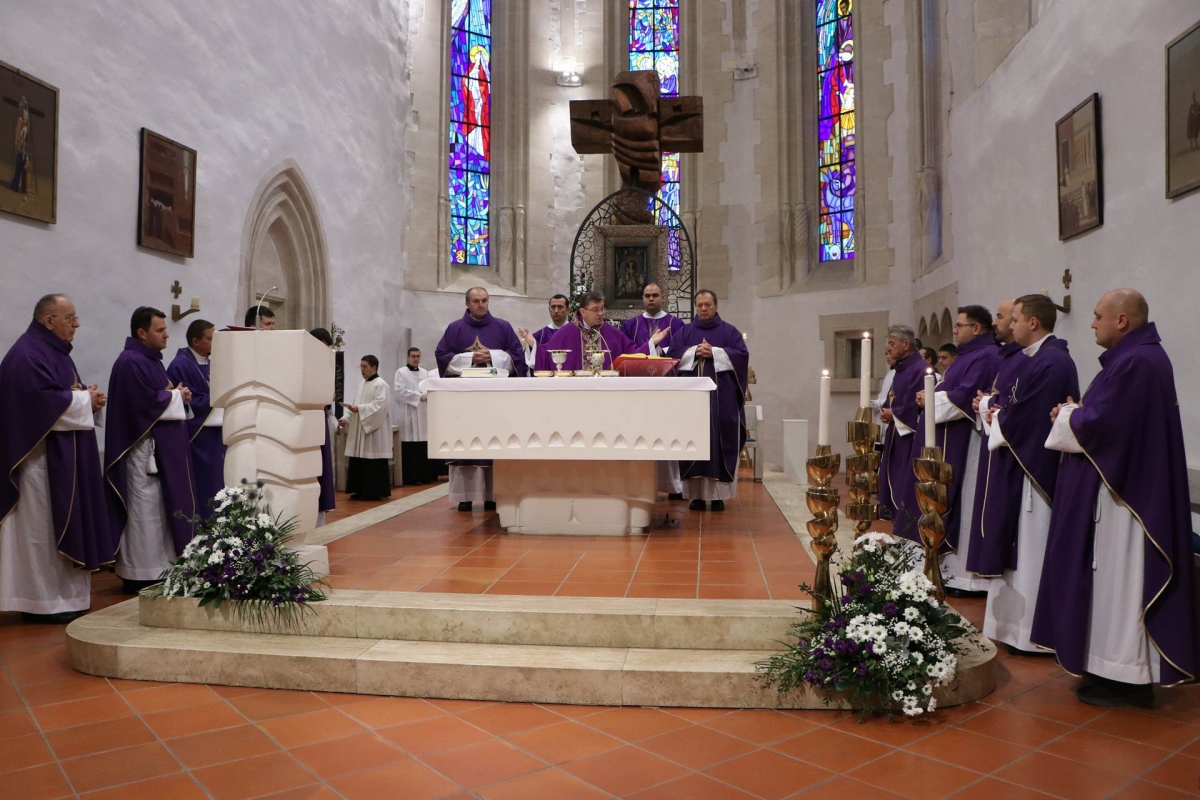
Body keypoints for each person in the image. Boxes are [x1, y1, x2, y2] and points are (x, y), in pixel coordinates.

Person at [1034, 289, 1198, 707]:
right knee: (1111, 584)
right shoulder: (1134, 359)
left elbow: (1105, 426)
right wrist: (1078, 414)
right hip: (1122, 492)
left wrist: (1069, 415)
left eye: (1097, 316)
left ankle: (1124, 675)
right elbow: (1107, 418)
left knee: (1121, 584)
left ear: (1122, 320)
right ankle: (1110, 668)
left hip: (1127, 501)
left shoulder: (1138, 362)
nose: (1091, 323)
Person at [0, 295, 117, 623]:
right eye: (70, 318)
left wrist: (86, 399)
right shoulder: (26, 354)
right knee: (42, 533)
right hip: (39, 466)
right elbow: (36, 402)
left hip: (62, 462)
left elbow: (59, 394)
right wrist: (83, 399)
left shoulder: (52, 352)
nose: (76, 324)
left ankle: (64, 599)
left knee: (52, 530)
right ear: (48, 320)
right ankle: (43, 602)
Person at [977, 295, 1078, 656]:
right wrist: (994, 409)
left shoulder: (1052, 362)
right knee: (1017, 545)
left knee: (1032, 548)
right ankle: (1011, 627)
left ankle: (1031, 633)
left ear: (1033, 323)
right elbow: (1012, 405)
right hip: (1020, 466)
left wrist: (992, 411)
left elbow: (1027, 417)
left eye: (1015, 319)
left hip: (1035, 472)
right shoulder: (1032, 360)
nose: (1010, 325)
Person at [105, 306, 197, 593]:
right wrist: (175, 396)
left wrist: (179, 396)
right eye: (160, 330)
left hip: (158, 454)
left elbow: (159, 396)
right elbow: (142, 404)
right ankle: (138, 573)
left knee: (158, 513)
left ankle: (159, 567)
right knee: (143, 514)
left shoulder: (150, 360)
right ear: (142, 333)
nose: (166, 335)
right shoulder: (130, 361)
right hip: (141, 454)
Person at [914, 305, 1000, 593]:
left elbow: (964, 396)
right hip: (954, 437)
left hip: (969, 443)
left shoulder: (986, 356)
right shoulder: (970, 356)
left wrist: (931, 399)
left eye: (960, 325)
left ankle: (965, 578)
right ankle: (949, 571)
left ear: (976, 328)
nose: (954, 329)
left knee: (965, 502)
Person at [435, 287, 526, 511]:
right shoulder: (454, 328)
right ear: (467, 303)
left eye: (484, 300)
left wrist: (494, 356)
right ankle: (465, 496)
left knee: (494, 445)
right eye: (476, 301)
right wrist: (470, 358)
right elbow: (441, 355)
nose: (481, 304)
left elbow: (517, 356)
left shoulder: (503, 327)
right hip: (466, 402)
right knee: (467, 447)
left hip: (496, 401)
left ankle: (492, 496)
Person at [674, 290, 748, 511]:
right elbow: (672, 356)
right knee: (692, 441)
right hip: (690, 403)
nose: (703, 309)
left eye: (707, 305)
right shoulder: (685, 332)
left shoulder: (729, 331)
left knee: (719, 442)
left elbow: (742, 356)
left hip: (721, 401)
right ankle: (695, 496)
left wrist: (715, 353)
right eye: (699, 305)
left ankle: (718, 497)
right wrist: (694, 351)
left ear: (715, 306)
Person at [966, 300, 1024, 580]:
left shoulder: (1025, 359)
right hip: (997, 443)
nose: (997, 323)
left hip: (1015, 455)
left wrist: (986, 403)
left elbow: (1018, 408)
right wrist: (986, 403)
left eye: (1001, 317)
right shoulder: (1006, 356)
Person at [621, 282, 688, 498]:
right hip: (638, 391)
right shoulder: (631, 325)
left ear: (662, 297)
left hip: (668, 389)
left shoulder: (676, 324)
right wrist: (651, 346)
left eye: (655, 295)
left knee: (670, 434)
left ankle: (674, 486)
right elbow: (626, 354)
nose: (651, 299)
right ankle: (639, 484)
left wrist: (661, 349)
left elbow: (683, 352)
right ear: (642, 298)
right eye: (647, 295)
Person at [166, 319, 225, 516]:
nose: (214, 343)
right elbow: (187, 402)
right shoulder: (180, 366)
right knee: (205, 486)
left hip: (216, 437)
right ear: (195, 341)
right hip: (198, 440)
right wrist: (219, 398)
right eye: (210, 338)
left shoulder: (210, 362)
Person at [535, 291, 667, 372]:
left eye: (602, 308)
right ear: (583, 312)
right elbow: (545, 355)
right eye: (595, 309)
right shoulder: (566, 333)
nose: (600, 313)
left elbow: (633, 355)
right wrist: (532, 345)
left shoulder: (612, 333)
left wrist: (651, 343)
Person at [877, 325, 923, 539]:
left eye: (892, 343)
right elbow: (894, 399)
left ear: (906, 345)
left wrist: (893, 413)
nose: (888, 348)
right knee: (893, 482)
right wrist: (888, 411)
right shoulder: (902, 369)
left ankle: (904, 532)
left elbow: (915, 406)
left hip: (909, 440)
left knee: (903, 483)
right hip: (896, 435)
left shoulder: (919, 370)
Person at [344, 355, 392, 501]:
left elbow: (380, 407)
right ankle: (360, 489)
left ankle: (374, 491)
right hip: (361, 429)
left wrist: (359, 408)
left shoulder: (381, 385)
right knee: (360, 460)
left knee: (372, 461)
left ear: (374, 368)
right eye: (361, 366)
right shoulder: (362, 384)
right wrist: (345, 419)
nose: (362, 370)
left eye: (365, 366)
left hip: (374, 431)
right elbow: (355, 404)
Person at [393, 347, 437, 485]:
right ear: (408, 357)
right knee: (409, 445)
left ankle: (424, 476)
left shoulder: (425, 373)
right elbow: (399, 391)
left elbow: (430, 388)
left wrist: (426, 394)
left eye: (418, 356)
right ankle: (410, 477)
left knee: (422, 445)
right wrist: (419, 396)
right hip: (408, 412)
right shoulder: (401, 372)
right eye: (413, 356)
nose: (416, 359)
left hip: (422, 413)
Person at [309, 328, 338, 526]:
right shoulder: (302, 363)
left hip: (319, 417)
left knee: (321, 468)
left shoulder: (321, 365)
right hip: (308, 421)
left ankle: (319, 515)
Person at [518, 294, 568, 371]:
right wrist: (532, 344)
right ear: (549, 309)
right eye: (553, 307)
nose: (556, 311)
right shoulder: (539, 336)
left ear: (568, 310)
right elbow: (530, 364)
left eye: (560, 307)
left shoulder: (576, 333)